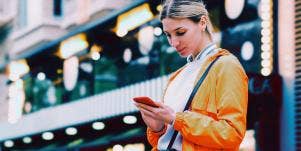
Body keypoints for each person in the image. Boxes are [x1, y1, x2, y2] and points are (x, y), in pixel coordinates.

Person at [134, 0, 248, 150]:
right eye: (168, 35)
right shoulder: (176, 77)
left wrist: (176, 119)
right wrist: (158, 128)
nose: (174, 42)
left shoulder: (226, 66)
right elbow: (166, 142)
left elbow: (232, 134)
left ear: (202, 22)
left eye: (180, 32)